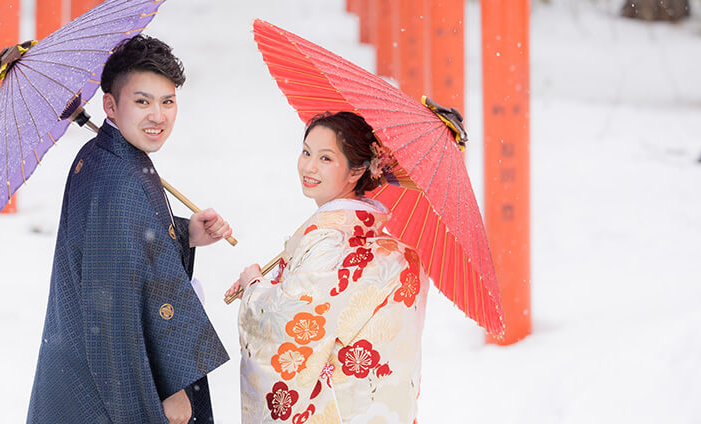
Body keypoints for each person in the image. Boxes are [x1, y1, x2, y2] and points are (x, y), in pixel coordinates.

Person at [27, 35, 231, 424]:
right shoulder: (118, 182)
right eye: (142, 101)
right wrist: (167, 394)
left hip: (75, 376)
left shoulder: (104, 157)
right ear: (110, 105)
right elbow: (112, 315)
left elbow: (130, 247)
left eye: (167, 101)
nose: (158, 115)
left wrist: (184, 232)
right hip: (104, 390)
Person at [226, 111, 427, 424]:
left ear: (356, 171)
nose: (309, 167)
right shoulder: (387, 246)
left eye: (326, 158)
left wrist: (254, 287)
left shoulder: (331, 243)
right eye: (306, 152)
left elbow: (289, 324)